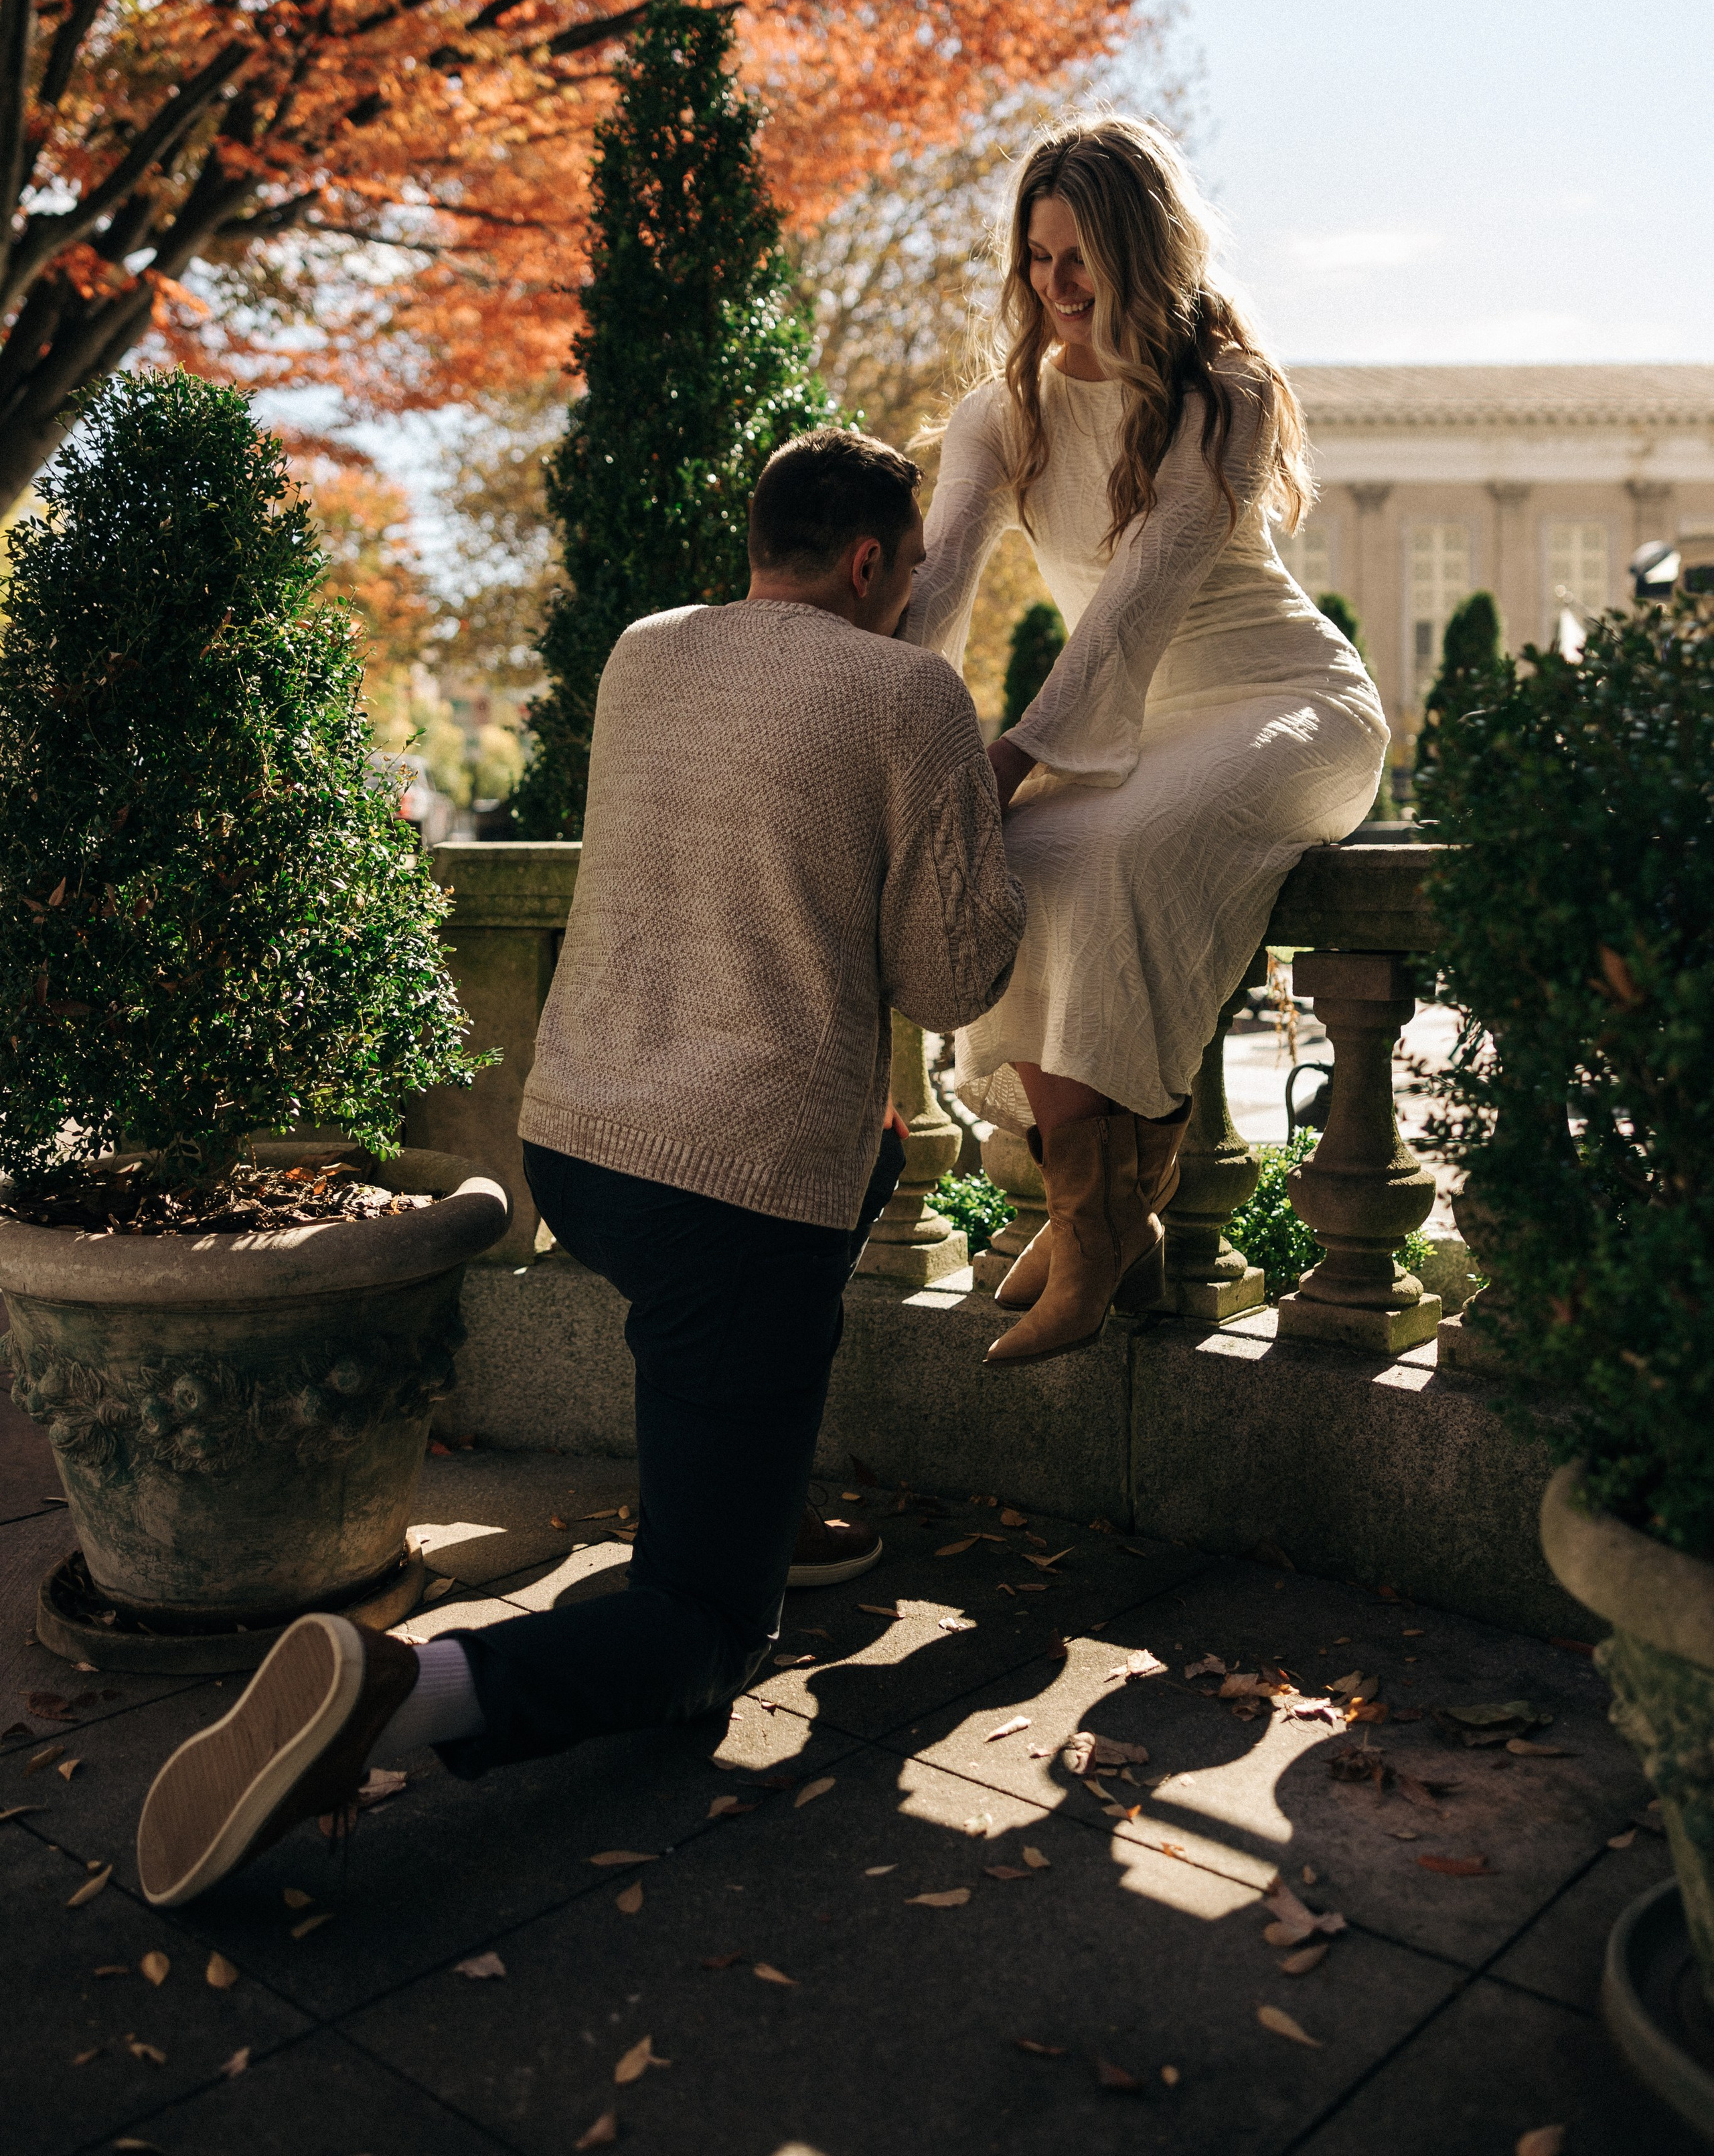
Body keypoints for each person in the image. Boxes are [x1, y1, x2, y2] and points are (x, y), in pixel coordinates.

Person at [134, 429, 1026, 1908]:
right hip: (730, 1180)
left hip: (583, 1144)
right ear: (872, 564)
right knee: (700, 1635)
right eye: (908, 579)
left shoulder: (644, 650)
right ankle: (397, 1693)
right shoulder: (910, 689)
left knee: (824, 1205)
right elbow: (947, 978)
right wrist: (990, 819)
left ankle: (744, 1480)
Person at [904, 113, 1389, 1369]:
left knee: (1096, 851)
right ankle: (1103, 1215)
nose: (1056, 288)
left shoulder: (1222, 393)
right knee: (1014, 863)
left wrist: (1008, 760)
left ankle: (1102, 1223)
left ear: (1141, 251)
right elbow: (937, 589)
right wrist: (879, 735)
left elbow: (1141, 597)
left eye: (1082, 259)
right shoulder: (1000, 414)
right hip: (1131, 729)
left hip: (1288, 707)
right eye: (1038, 259)